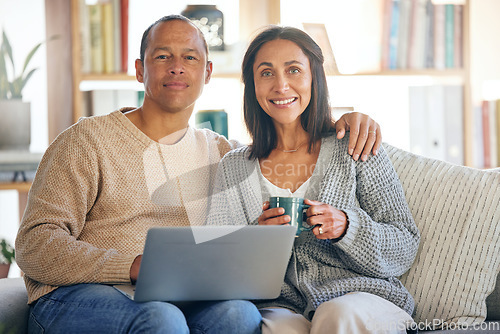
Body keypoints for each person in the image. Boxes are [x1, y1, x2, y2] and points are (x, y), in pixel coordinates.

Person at [16, 15, 383, 333]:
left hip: (179, 298)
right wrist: (129, 266)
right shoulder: (85, 141)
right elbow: (34, 244)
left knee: (240, 315)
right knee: (161, 320)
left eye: (189, 57)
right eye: (162, 56)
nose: (177, 67)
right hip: (81, 296)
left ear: (206, 72)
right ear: (140, 69)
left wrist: (341, 123)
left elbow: (287, 141)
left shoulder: (221, 152)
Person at [207, 25, 420, 334]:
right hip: (284, 306)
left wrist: (346, 227)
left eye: (294, 70)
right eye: (266, 73)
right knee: (271, 328)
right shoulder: (235, 167)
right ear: (252, 85)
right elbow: (218, 266)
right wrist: (260, 242)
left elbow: (404, 246)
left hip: (363, 298)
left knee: (336, 315)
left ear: (314, 78)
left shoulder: (355, 146)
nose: (281, 85)